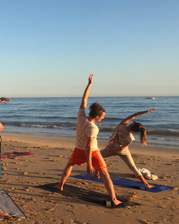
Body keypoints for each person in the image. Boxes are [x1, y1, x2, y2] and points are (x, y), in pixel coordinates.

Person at [54, 74, 122, 206]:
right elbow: (89, 146)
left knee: (69, 165)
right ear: (96, 116)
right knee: (105, 174)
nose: (103, 118)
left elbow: (83, 100)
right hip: (92, 152)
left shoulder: (81, 117)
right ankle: (114, 199)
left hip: (78, 150)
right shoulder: (93, 128)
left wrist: (89, 84)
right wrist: (89, 164)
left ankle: (60, 185)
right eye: (102, 116)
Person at [93, 108, 156, 188]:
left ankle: (96, 174)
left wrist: (147, 111)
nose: (132, 122)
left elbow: (134, 115)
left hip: (112, 149)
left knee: (97, 157)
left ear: (132, 124)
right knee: (133, 168)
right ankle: (146, 184)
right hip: (123, 152)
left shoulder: (121, 125)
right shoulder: (131, 138)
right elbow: (122, 148)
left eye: (133, 122)